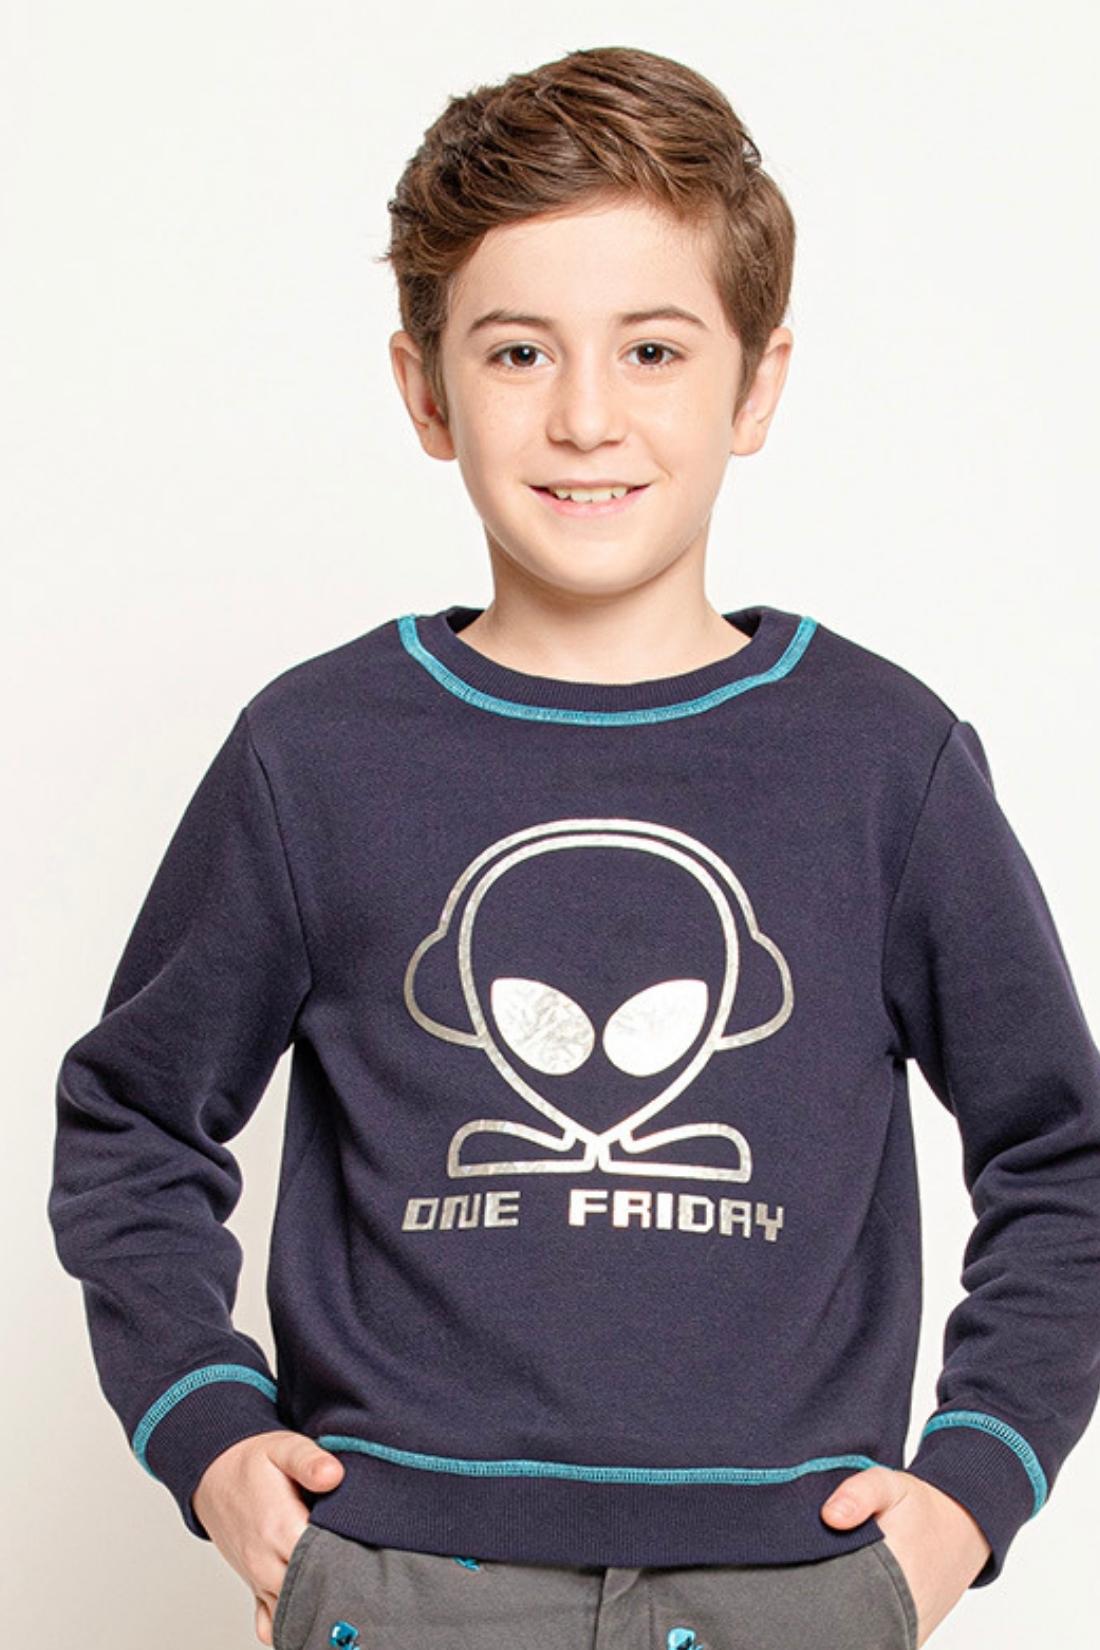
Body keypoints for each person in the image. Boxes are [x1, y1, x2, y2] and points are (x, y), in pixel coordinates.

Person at [47, 43, 1100, 1650]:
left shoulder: (886, 760)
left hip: (795, 1582)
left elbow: (1063, 1149)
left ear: (757, 384)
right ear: (424, 388)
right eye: (520, 349)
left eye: (654, 349)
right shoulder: (315, 753)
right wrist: (204, 1429)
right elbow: (131, 1118)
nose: (587, 415)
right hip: (399, 1577)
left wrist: (972, 1489)